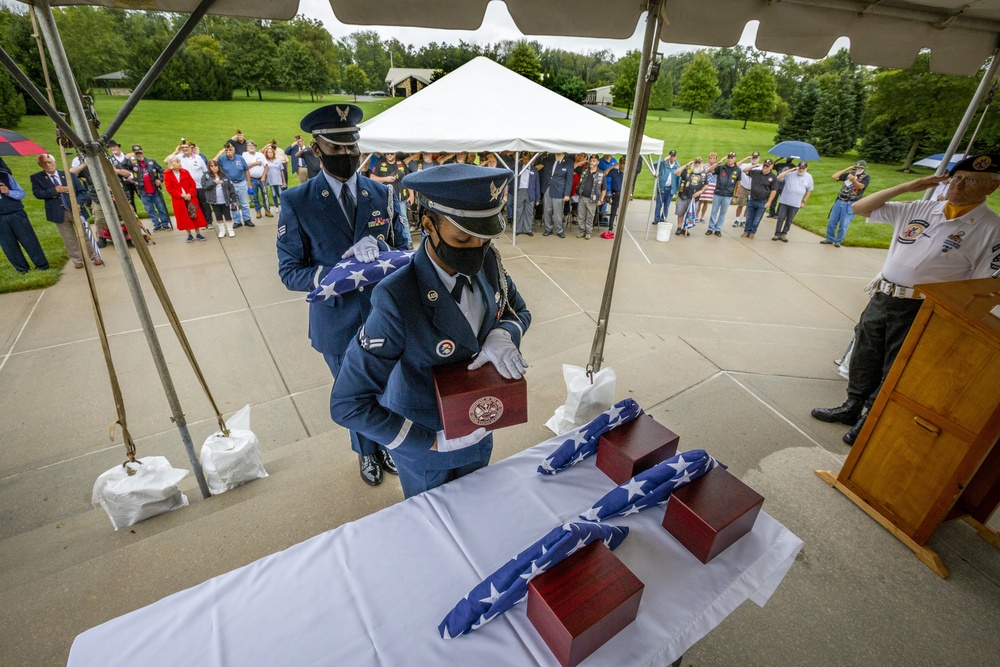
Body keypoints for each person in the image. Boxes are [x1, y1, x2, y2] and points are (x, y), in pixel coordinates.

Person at [330, 163, 530, 498]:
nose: (476, 250)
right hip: (425, 446)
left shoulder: (489, 262)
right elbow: (348, 402)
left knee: (478, 508)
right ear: (428, 224)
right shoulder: (398, 297)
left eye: (484, 238)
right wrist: (429, 441)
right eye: (463, 237)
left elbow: (517, 310)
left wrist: (504, 333)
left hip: (478, 429)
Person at [811, 153, 1000, 445]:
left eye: (971, 180)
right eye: (956, 177)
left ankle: (870, 417)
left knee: (895, 364)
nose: (959, 186)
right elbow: (860, 207)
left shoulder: (990, 229)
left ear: (991, 188)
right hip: (884, 295)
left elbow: (981, 287)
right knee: (865, 353)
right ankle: (852, 405)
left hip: (923, 307)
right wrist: (906, 186)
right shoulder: (922, 208)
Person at [277, 103, 410, 487]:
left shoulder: (381, 194)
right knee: (354, 395)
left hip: (384, 315)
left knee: (388, 387)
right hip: (336, 321)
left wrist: (382, 252)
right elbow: (290, 272)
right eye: (335, 149)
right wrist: (339, 272)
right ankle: (366, 454)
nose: (346, 155)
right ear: (316, 150)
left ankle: (385, 444)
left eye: (352, 147)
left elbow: (403, 249)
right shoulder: (297, 202)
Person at [31, 154, 101, 268]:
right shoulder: (37, 178)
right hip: (58, 212)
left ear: (55, 163)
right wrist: (55, 190)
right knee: (68, 237)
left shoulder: (68, 175)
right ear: (40, 165)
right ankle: (77, 260)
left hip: (75, 209)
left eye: (49, 162)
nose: (48, 165)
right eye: (44, 163)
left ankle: (94, 256)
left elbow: (82, 192)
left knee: (85, 233)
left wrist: (78, 203)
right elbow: (38, 194)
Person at [0, 157, 49, 274]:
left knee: (29, 239)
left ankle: (42, 265)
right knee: (8, 245)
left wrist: (8, 192)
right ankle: (22, 269)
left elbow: (21, 194)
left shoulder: (6, 177)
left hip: (16, 213)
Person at [824, 160, 870, 247]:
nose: (857, 169)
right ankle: (829, 238)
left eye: (859, 167)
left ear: (863, 168)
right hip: (840, 200)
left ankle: (838, 240)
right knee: (832, 221)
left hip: (851, 202)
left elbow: (861, 187)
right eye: (856, 167)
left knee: (844, 223)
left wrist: (854, 181)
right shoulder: (849, 175)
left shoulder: (865, 177)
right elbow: (834, 177)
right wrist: (848, 169)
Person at [163, 157, 207, 242]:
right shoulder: (167, 174)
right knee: (184, 215)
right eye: (177, 162)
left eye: (179, 161)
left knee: (194, 213)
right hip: (179, 199)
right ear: (171, 164)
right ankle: (189, 235)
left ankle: (198, 233)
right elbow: (169, 188)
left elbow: (192, 184)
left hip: (190, 197)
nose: (179, 163)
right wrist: (181, 195)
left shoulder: (185, 172)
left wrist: (190, 194)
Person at [129, 145, 171, 231]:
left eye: (140, 153)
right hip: (143, 191)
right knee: (150, 209)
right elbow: (123, 168)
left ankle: (165, 224)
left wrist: (160, 180)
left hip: (155, 190)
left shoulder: (151, 161)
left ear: (143, 152)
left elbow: (162, 171)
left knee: (161, 208)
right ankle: (157, 225)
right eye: (137, 153)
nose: (139, 155)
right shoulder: (131, 163)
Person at [772, 160, 814, 242]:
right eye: (800, 168)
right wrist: (789, 170)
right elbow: (779, 177)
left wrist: (804, 201)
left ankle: (784, 234)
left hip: (796, 203)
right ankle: (777, 234)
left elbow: (809, 190)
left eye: (803, 168)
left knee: (789, 220)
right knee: (781, 218)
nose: (801, 170)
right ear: (797, 167)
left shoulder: (809, 177)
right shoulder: (790, 174)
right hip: (785, 201)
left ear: (806, 169)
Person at [739, 158, 779, 239]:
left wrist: (769, 202)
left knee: (757, 218)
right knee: (749, 217)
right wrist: (755, 165)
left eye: (767, 166)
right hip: (753, 199)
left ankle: (752, 232)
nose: (765, 167)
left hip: (763, 201)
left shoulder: (773, 177)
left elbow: (773, 191)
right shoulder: (755, 172)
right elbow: (744, 170)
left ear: (771, 167)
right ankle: (746, 231)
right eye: (764, 165)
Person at [218, 143, 253, 228]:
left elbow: (247, 171)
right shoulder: (222, 159)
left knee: (244, 203)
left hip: (241, 183)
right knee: (233, 203)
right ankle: (237, 221)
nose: (228, 152)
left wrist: (249, 185)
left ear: (233, 150)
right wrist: (220, 152)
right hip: (230, 184)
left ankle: (247, 219)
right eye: (226, 150)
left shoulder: (240, 158)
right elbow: (214, 165)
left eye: (230, 150)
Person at [202, 159, 239, 238]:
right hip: (214, 201)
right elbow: (204, 186)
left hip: (225, 200)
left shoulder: (224, 175)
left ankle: (230, 229)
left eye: (215, 166)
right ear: (209, 167)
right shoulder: (206, 175)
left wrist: (234, 200)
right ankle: (222, 230)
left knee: (227, 215)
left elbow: (231, 188)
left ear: (218, 166)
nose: (214, 167)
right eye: (212, 166)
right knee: (218, 215)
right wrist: (214, 182)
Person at [539, 151, 573, 238]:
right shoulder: (549, 158)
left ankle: (559, 230)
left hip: (559, 190)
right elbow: (540, 162)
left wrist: (567, 194)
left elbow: (569, 179)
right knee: (547, 210)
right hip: (547, 187)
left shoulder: (568, 162)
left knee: (558, 212)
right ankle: (548, 229)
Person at [707, 151, 742, 235]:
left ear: (735, 159)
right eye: (728, 158)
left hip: (728, 194)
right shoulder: (721, 167)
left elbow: (738, 184)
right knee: (714, 211)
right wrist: (718, 163)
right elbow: (709, 170)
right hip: (718, 193)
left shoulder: (737, 170)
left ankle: (718, 229)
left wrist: (735, 196)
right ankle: (710, 228)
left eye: (731, 158)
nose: (730, 159)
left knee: (723, 212)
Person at [674, 157, 707, 236]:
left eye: (699, 163)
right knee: (680, 212)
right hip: (683, 196)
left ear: (701, 164)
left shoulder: (703, 174)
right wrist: (686, 165)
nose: (697, 164)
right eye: (695, 163)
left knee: (690, 214)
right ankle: (679, 227)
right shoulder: (687, 171)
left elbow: (706, 185)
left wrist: (700, 192)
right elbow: (676, 173)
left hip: (694, 199)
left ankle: (685, 228)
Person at [576, 154, 606, 240]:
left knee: (590, 216)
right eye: (591, 160)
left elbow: (604, 189)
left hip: (592, 199)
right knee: (581, 216)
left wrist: (601, 199)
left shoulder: (601, 174)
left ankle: (588, 232)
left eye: (594, 161)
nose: (592, 162)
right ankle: (582, 231)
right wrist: (583, 161)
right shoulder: (584, 170)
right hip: (582, 197)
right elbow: (573, 167)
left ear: (598, 162)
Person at [243, 141, 272, 220]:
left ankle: (267, 210)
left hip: (261, 179)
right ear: (247, 147)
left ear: (255, 147)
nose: (251, 147)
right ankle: (258, 211)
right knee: (255, 196)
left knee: (265, 195)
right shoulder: (245, 155)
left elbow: (266, 166)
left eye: (252, 145)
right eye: (249, 146)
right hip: (252, 179)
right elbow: (245, 166)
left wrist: (263, 176)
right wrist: (255, 163)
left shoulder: (260, 155)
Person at [107, 140, 137, 212]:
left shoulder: (127, 155)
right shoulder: (110, 160)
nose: (113, 148)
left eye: (114, 146)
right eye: (110, 147)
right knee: (130, 200)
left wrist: (132, 177)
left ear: (118, 147)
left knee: (143, 197)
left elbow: (135, 167)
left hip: (134, 180)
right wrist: (126, 160)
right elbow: (114, 171)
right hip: (123, 183)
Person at [733, 151, 761, 227]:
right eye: (753, 157)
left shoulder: (760, 167)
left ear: (759, 158)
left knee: (749, 206)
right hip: (744, 187)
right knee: (740, 204)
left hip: (753, 189)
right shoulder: (745, 165)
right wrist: (745, 159)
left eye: (756, 158)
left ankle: (744, 220)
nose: (754, 159)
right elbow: (735, 165)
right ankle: (737, 219)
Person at [654, 150, 680, 224]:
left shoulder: (677, 166)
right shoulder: (663, 164)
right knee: (659, 204)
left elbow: (679, 178)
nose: (672, 158)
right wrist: (663, 160)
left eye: (673, 156)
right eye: (671, 156)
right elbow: (654, 165)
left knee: (666, 205)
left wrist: (677, 189)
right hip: (662, 187)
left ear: (675, 157)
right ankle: (657, 218)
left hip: (671, 188)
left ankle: (663, 218)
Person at [696, 152, 719, 222]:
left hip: (712, 184)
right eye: (711, 158)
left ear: (716, 159)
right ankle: (696, 216)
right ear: (709, 159)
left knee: (706, 202)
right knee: (699, 201)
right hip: (704, 184)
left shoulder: (717, 167)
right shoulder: (704, 165)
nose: (712, 159)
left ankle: (702, 217)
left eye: (714, 158)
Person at [262, 145, 286, 210]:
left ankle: (282, 206)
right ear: (266, 154)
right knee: (274, 194)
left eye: (271, 152)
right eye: (268, 152)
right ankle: (276, 206)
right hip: (271, 180)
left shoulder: (277, 161)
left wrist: (284, 181)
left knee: (280, 194)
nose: (270, 154)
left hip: (278, 180)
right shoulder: (266, 162)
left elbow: (281, 171)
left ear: (273, 153)